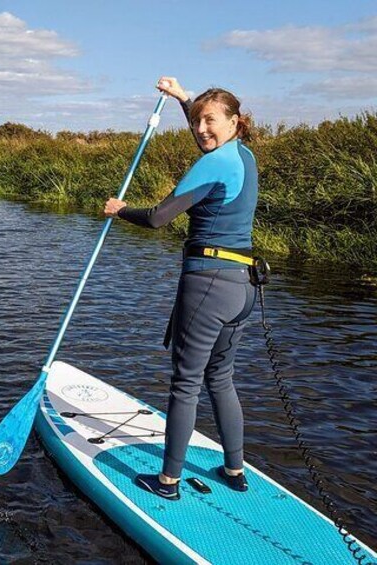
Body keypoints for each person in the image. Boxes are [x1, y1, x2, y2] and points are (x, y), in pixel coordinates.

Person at [103, 77, 258, 500]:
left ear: (235, 121)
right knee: (221, 378)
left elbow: (157, 218)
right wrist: (183, 97)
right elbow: (207, 137)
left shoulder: (213, 163)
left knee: (185, 382)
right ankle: (234, 470)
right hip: (242, 289)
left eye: (210, 121)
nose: (201, 128)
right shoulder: (242, 156)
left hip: (208, 285)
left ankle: (167, 482)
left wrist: (121, 210)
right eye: (197, 122)